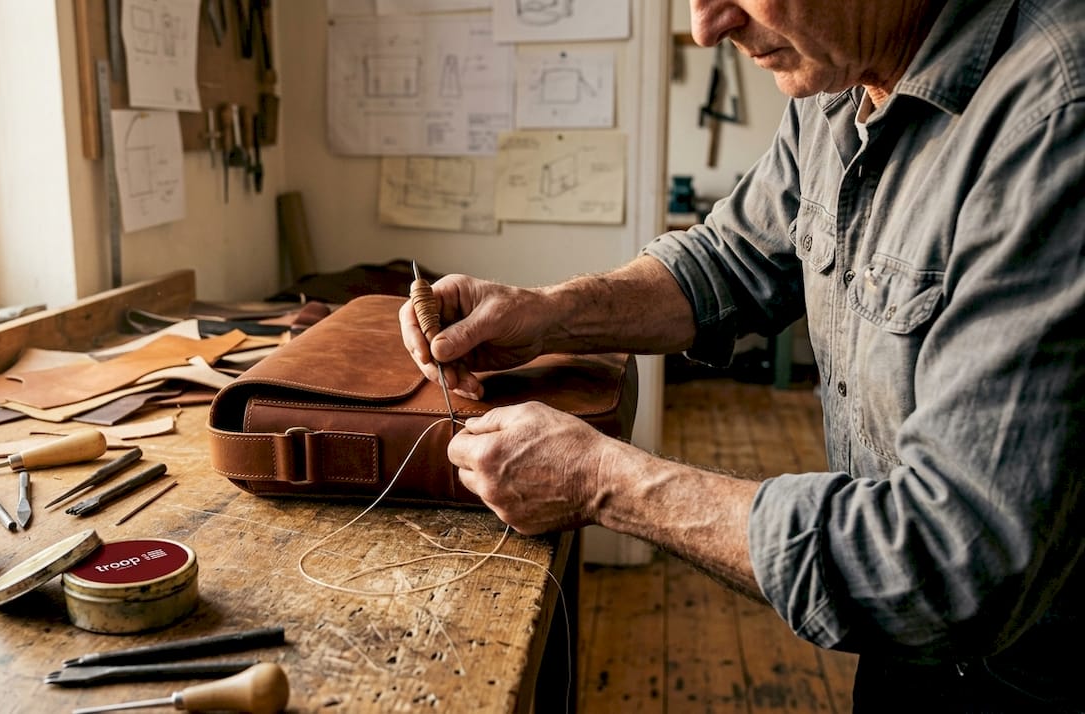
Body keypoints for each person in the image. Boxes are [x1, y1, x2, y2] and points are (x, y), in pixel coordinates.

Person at [399, 0, 1085, 710]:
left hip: (1039, 676)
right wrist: (546, 314)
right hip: (901, 657)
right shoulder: (837, 83)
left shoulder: (1056, 116)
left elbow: (946, 562)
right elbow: (728, 260)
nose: (706, 26)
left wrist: (605, 480)